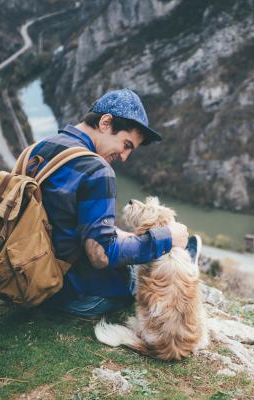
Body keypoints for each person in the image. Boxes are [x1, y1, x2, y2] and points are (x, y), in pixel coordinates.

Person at [24, 88, 199, 317]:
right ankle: (185, 258)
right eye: (126, 145)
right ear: (106, 122)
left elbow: (62, 220)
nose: (125, 157)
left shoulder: (40, 148)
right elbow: (101, 256)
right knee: (150, 273)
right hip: (73, 296)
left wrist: (121, 235)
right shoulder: (97, 169)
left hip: (29, 279)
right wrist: (166, 238)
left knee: (135, 247)